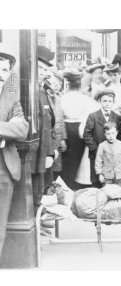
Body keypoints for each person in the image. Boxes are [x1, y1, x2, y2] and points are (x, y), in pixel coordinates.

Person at [0, 48, 29, 257]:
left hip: (4, 169)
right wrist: (5, 127)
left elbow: (21, 129)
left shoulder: (12, 101)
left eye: (4, 70)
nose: (1, 74)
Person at [60, 69, 98, 190]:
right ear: (79, 84)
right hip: (79, 130)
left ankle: (66, 186)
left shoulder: (63, 98)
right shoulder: (85, 99)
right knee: (76, 160)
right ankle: (73, 186)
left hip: (65, 129)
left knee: (66, 162)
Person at [31, 46, 58, 210]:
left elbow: (49, 125)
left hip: (43, 152)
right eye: (39, 68)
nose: (42, 72)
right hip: (35, 153)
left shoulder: (43, 92)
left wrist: (50, 152)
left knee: (40, 192)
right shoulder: (31, 92)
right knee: (35, 193)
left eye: (45, 69)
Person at [83, 89, 121, 187]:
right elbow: (87, 135)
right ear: (100, 101)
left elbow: (119, 135)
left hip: (112, 154)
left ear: (113, 102)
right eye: (104, 101)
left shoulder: (117, 117)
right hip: (96, 154)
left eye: (110, 101)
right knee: (96, 180)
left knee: (110, 180)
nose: (107, 104)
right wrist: (96, 149)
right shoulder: (93, 116)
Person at [95, 122, 121, 187]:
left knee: (119, 192)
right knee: (107, 193)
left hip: (119, 176)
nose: (111, 136)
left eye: (113, 133)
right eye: (108, 134)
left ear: (116, 133)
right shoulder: (102, 146)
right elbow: (98, 160)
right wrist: (100, 174)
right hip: (107, 176)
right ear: (104, 134)